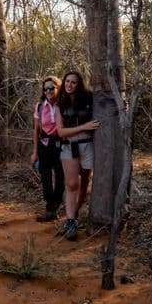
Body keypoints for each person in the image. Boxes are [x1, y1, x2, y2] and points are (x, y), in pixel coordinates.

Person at [55, 71, 99, 241]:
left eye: (73, 82)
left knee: (85, 182)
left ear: (79, 84)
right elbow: (61, 131)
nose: (69, 85)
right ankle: (71, 221)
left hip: (88, 145)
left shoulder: (89, 99)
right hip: (69, 147)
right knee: (72, 184)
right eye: (67, 82)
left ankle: (75, 214)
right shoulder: (60, 104)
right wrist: (84, 126)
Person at [31, 77, 64, 222]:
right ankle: (50, 208)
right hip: (44, 144)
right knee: (45, 176)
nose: (48, 91)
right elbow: (36, 130)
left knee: (60, 176)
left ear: (58, 88)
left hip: (61, 145)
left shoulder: (63, 104)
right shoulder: (39, 106)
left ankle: (55, 206)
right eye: (46, 89)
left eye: (52, 88)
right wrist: (35, 152)